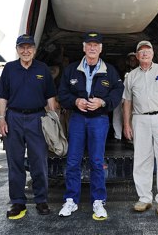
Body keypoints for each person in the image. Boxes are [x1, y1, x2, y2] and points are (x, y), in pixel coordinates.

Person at [58, 31, 124, 220]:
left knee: (96, 161)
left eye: (96, 45)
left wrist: (103, 103)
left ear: (101, 49)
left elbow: (118, 91)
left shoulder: (109, 71)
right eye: (89, 44)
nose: (92, 48)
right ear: (84, 47)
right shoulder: (71, 69)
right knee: (73, 161)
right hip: (78, 118)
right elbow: (62, 93)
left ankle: (98, 201)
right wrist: (75, 101)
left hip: (99, 120)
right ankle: (71, 200)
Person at [0, 34, 57, 219]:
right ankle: (18, 202)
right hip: (13, 118)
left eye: (29, 47)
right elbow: (2, 97)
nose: (26, 51)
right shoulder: (9, 69)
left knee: (39, 160)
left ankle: (41, 200)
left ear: (34, 50)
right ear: (17, 49)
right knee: (15, 162)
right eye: (22, 47)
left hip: (37, 118)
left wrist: (53, 120)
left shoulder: (42, 69)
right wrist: (1, 119)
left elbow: (50, 97)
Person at [122, 40, 158, 216]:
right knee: (141, 159)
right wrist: (126, 124)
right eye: (141, 51)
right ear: (137, 56)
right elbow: (127, 102)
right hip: (139, 120)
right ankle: (144, 198)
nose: (145, 53)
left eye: (148, 51)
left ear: (153, 53)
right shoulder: (131, 76)